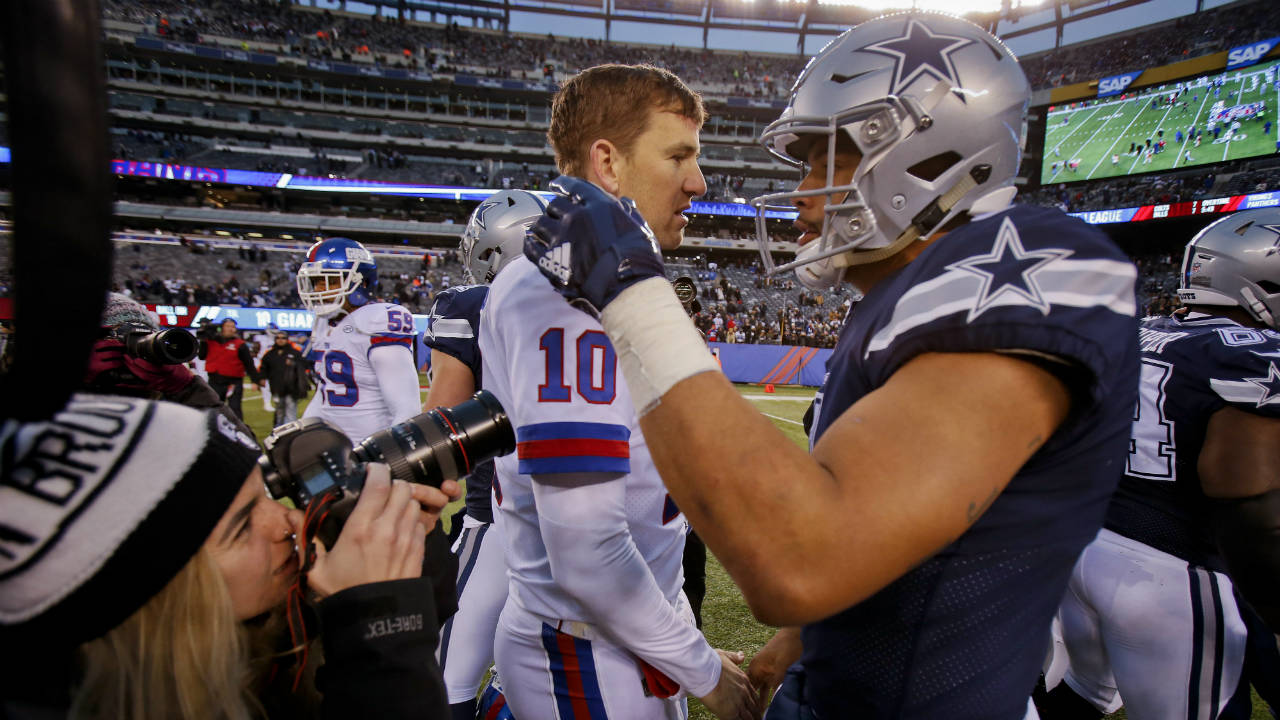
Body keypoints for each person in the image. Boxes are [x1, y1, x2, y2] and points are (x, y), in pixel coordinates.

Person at [523, 14, 1141, 719]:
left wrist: (630, 291)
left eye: (827, 159)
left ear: (926, 151)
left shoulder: (1038, 267)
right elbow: (921, 521)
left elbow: (801, 560)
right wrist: (810, 637)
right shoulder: (896, 303)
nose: (805, 193)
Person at [479, 64, 755, 720]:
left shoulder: (607, 275)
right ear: (607, 161)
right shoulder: (563, 291)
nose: (698, 181)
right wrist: (703, 669)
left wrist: (680, 642)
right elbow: (587, 552)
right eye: (678, 156)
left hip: (627, 638)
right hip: (587, 653)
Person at [0, 393, 459, 719]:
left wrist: (410, 550)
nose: (291, 523)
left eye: (267, 499)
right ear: (156, 592)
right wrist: (380, 638)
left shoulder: (249, 648)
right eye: (242, 526)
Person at [1035, 209, 1280, 720]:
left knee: (1082, 693)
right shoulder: (1251, 353)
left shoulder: (1134, 333)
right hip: (1169, 568)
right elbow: (1249, 506)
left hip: (1083, 546)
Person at [421, 188, 546, 720]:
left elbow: (439, 429)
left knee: (447, 678)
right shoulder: (601, 304)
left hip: (498, 515)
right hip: (591, 518)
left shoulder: (472, 306)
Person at [297, 237, 421, 444]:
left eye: (330, 281)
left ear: (361, 282)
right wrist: (303, 431)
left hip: (373, 450)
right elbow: (326, 392)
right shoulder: (322, 323)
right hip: (334, 450)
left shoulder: (378, 320)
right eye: (316, 281)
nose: (320, 289)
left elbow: (406, 409)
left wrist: (388, 456)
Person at [199, 317, 262, 421]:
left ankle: (239, 431)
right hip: (215, 380)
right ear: (221, 328)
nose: (231, 329)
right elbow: (202, 356)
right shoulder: (211, 342)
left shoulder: (240, 344)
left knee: (235, 408)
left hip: (233, 382)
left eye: (233, 327)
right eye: (228, 326)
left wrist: (255, 381)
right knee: (214, 408)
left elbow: (249, 364)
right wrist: (203, 341)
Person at [258, 330, 309, 427]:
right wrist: (262, 378)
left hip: (292, 387)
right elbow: (264, 367)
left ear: (287, 340)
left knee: (291, 411)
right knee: (279, 411)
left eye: (283, 338)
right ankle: (278, 431)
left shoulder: (294, 353)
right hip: (276, 387)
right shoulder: (270, 354)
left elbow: (304, 365)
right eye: (278, 338)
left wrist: (294, 364)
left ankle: (290, 431)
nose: (280, 340)